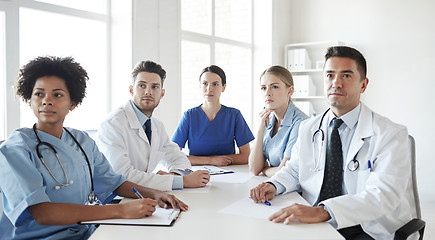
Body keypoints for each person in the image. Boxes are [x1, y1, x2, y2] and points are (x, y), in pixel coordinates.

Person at [0, 56, 187, 240]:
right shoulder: (16, 149)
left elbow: (114, 182)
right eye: (39, 94)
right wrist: (121, 210)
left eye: (57, 95)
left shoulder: (81, 140)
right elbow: (43, 213)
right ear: (29, 99)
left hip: (84, 231)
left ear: (72, 103)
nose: (46, 101)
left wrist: (157, 194)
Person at [250, 46, 416, 240]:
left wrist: (324, 211)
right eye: (330, 75)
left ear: (363, 85)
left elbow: (382, 196)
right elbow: (295, 169)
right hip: (318, 222)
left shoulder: (390, 134)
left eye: (346, 76)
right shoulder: (308, 128)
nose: (336, 83)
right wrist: (274, 184)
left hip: (367, 228)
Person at [96, 60, 209, 192]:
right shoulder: (113, 123)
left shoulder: (156, 125)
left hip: (142, 195)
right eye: (142, 86)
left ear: (162, 94)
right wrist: (182, 181)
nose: (148, 92)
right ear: (131, 90)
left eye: (154, 87)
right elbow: (122, 175)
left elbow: (177, 157)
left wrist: (175, 175)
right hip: (114, 199)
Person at [172, 65, 254, 166]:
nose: (209, 89)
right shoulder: (189, 116)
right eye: (205, 84)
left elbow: (246, 156)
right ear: (199, 86)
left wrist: (222, 160)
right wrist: (211, 161)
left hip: (231, 172)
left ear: (224, 87)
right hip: (197, 174)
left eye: (215, 84)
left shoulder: (234, 115)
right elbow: (174, 156)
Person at [248, 66, 308, 177]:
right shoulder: (268, 120)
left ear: (290, 91)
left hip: (295, 191)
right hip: (274, 184)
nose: (267, 93)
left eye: (274, 87)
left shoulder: (301, 123)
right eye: (263, 88)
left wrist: (265, 169)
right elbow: (254, 169)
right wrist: (260, 131)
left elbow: (285, 171)